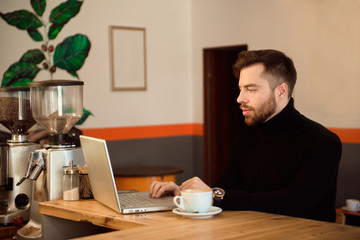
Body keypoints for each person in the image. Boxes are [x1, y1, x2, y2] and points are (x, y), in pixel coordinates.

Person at [149, 49, 342, 222]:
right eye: (241, 88)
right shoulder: (247, 137)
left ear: (281, 91)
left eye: (251, 89)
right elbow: (225, 188)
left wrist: (214, 195)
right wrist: (187, 193)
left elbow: (295, 203)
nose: (240, 98)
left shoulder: (323, 142)